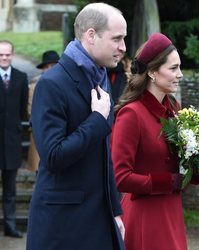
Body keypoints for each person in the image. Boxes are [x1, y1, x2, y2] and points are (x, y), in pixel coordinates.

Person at [26, 3, 127, 250]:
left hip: (99, 218)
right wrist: (96, 120)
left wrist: (114, 210)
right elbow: (52, 156)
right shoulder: (52, 84)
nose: (123, 47)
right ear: (91, 35)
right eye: (117, 38)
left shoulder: (99, 78)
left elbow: (104, 155)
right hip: (63, 226)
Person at [111, 32, 199, 250]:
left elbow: (183, 168)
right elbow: (121, 177)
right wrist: (168, 182)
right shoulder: (131, 114)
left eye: (179, 67)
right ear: (153, 72)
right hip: (145, 214)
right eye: (173, 68)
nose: (180, 74)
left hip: (170, 211)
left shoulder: (174, 110)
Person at [0, 40, 28, 238]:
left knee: (10, 189)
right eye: (0, 55)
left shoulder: (21, 77)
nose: (4, 58)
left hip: (11, 142)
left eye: (7, 54)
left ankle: (10, 226)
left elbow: (22, 111)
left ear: (13, 54)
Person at [27, 50, 60, 172]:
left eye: (53, 66)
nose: (49, 69)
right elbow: (31, 108)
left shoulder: (66, 82)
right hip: (40, 130)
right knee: (40, 168)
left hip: (60, 132)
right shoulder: (35, 84)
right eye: (46, 66)